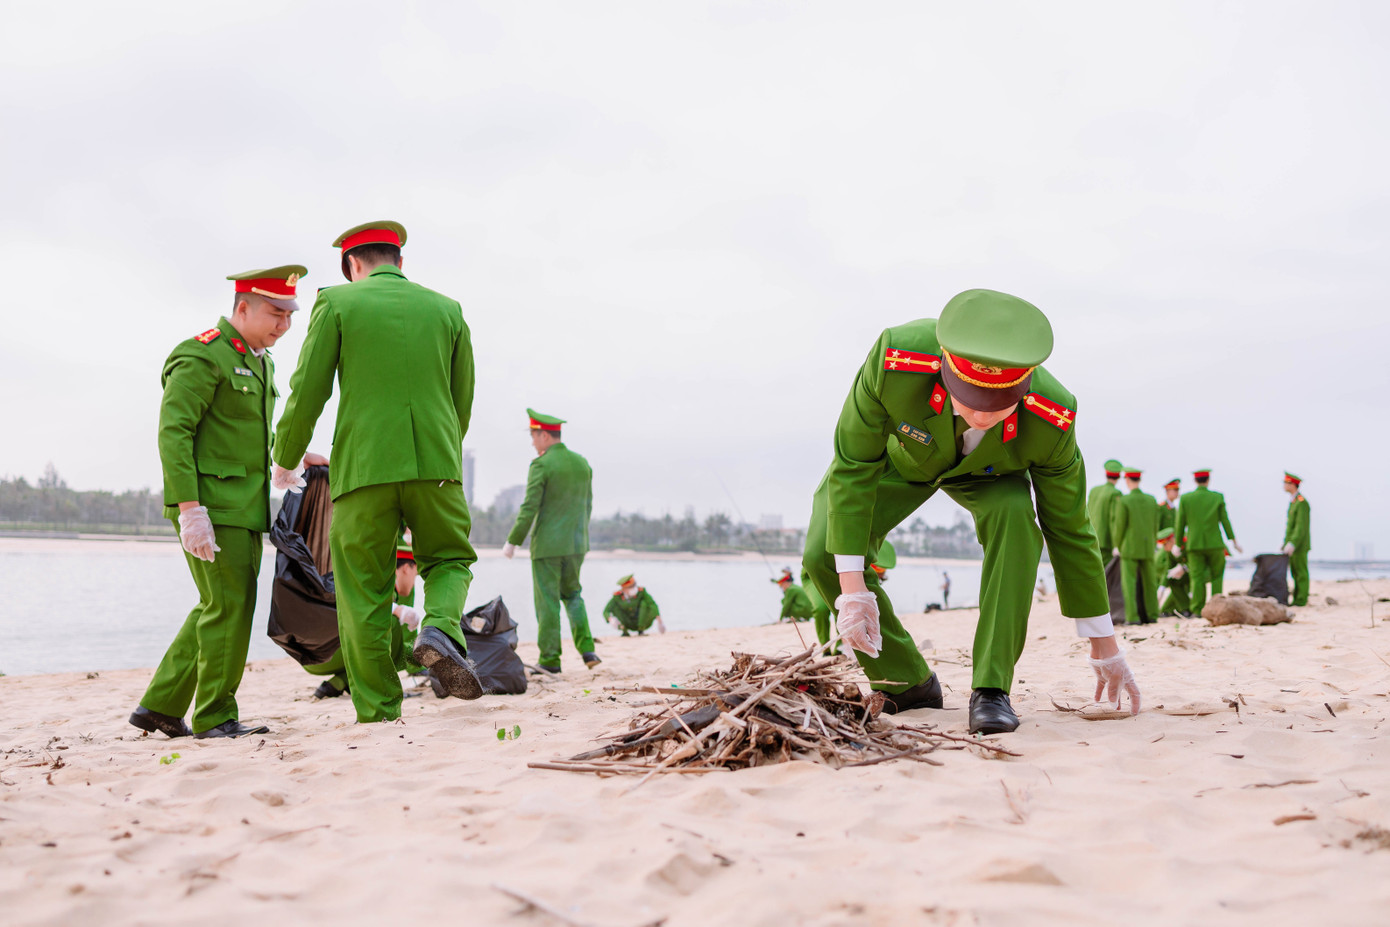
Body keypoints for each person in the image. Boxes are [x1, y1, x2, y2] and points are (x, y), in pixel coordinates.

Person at [802, 289, 1140, 735]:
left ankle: (992, 689)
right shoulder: (895, 360)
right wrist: (853, 589)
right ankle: (907, 683)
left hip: (990, 475)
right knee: (824, 554)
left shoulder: (1053, 417)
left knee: (1017, 517)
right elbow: (853, 463)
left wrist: (1104, 642)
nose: (981, 417)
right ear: (943, 365)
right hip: (901, 458)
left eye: (998, 406)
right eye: (968, 399)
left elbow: (1070, 528)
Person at [273, 221, 483, 724]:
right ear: (400, 262)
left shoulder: (339, 303)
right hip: (437, 464)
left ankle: (379, 712)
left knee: (363, 589)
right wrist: (443, 456)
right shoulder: (448, 309)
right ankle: (439, 626)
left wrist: (285, 456)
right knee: (449, 558)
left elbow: (308, 391)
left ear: (352, 266)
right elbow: (463, 398)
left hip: (364, 469)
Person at [130, 265, 307, 740]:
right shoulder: (201, 355)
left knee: (218, 605)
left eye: (289, 315)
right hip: (211, 506)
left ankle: (160, 706)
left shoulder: (261, 361)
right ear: (242, 307)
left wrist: (289, 458)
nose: (283, 325)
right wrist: (190, 510)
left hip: (245, 507)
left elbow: (251, 435)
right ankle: (215, 717)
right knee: (229, 607)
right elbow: (175, 433)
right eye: (274, 313)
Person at [503, 409, 599, 672]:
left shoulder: (541, 465)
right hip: (577, 544)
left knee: (547, 601)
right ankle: (587, 649)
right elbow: (587, 506)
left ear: (544, 435)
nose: (533, 443)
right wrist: (581, 537)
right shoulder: (582, 463)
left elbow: (529, 506)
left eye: (534, 437)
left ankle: (550, 660)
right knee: (573, 595)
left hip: (547, 546)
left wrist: (513, 541)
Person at [1173, 468, 1241, 616]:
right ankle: (1217, 609)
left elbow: (1180, 524)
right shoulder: (1217, 497)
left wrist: (1178, 544)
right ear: (1208, 480)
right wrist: (1233, 540)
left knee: (1196, 578)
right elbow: (1225, 521)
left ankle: (1197, 610)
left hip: (1194, 544)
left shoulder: (1185, 498)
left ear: (1195, 480)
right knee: (1217, 576)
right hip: (1215, 543)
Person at [1111, 468, 1159, 625]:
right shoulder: (1152, 500)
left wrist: (1117, 545)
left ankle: (1132, 617)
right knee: (1150, 583)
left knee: (1129, 584)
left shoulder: (1124, 501)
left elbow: (1120, 527)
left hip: (1130, 548)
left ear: (1127, 480)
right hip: (1148, 547)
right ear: (1139, 480)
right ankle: (1152, 615)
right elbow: (1155, 526)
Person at [1282, 472, 1311, 607]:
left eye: (1286, 483)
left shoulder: (1302, 503)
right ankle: (1297, 599)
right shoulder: (1293, 502)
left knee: (1301, 573)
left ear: (1292, 484)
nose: (1283, 485)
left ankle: (1301, 600)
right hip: (1291, 544)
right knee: (1294, 573)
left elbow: (1300, 527)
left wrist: (1293, 543)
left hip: (1299, 545)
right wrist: (1285, 543)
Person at [1086, 459, 1124, 558]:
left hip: (1090, 538)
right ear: (1119, 476)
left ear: (1106, 474)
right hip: (1105, 542)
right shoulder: (1116, 493)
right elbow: (1114, 519)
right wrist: (1117, 544)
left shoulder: (1094, 490)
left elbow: (1086, 512)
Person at [1153, 528, 1191, 616]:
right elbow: (1168, 568)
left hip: (1199, 572)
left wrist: (1185, 567)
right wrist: (1162, 587)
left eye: (1165, 544)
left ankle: (1195, 608)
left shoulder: (1186, 541)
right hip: (1187, 573)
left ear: (1172, 540)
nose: (1164, 548)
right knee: (1173, 580)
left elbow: (1197, 562)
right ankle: (1185, 608)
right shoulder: (1170, 551)